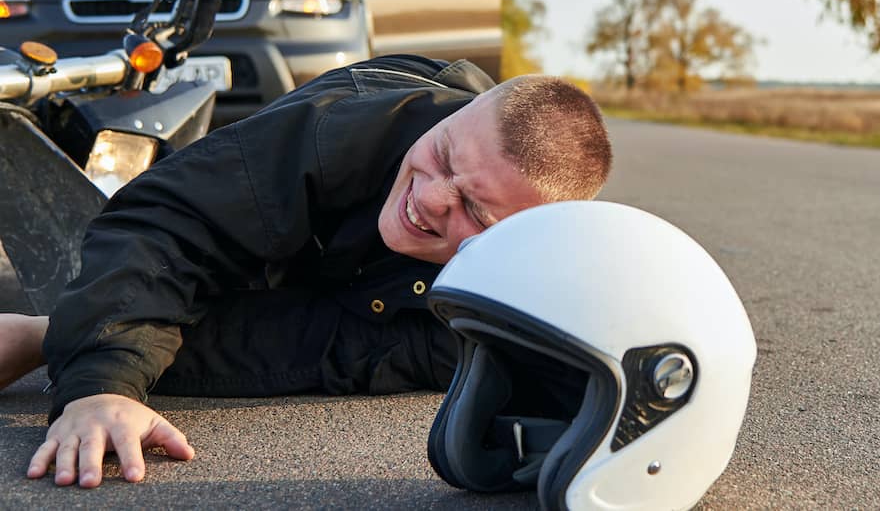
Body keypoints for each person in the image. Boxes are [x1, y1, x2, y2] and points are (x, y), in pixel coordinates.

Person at [0, 54, 612, 489]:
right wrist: (100, 384)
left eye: (474, 209)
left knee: (316, 330)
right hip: (291, 197)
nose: (430, 198)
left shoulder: (505, 298)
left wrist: (56, 341)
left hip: (377, 289)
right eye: (445, 153)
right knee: (217, 254)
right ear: (454, 120)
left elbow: (310, 349)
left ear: (521, 241)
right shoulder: (337, 130)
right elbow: (167, 223)